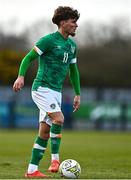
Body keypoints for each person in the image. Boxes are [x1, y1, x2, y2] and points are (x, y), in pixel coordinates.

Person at [13, 6, 81, 178]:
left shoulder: (72, 46)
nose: (76, 25)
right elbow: (28, 58)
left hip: (56, 92)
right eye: (73, 22)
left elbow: (73, 71)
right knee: (59, 118)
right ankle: (55, 160)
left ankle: (31, 171)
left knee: (44, 133)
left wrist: (77, 93)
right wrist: (21, 77)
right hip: (42, 88)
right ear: (63, 22)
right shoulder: (48, 40)